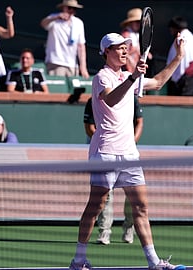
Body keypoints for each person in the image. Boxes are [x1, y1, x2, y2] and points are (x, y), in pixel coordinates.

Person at [69, 33, 185, 270]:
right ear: (106, 52)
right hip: (106, 153)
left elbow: (160, 82)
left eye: (125, 48)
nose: (124, 51)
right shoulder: (102, 77)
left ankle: (154, 262)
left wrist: (178, 56)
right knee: (96, 206)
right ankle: (79, 260)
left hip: (130, 153)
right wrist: (133, 77)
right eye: (118, 48)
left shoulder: (127, 77)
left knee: (141, 207)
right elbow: (111, 99)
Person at [83, 95, 143, 245]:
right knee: (104, 195)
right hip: (104, 153)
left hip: (128, 153)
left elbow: (139, 122)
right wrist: (106, 141)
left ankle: (129, 228)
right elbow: (89, 127)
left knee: (133, 195)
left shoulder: (132, 98)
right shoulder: (93, 101)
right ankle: (104, 232)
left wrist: (129, 142)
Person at [40, 0, 89, 79]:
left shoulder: (78, 23)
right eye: (70, 8)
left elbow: (81, 46)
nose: (72, 11)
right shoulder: (54, 19)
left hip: (72, 64)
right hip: (56, 62)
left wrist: (83, 67)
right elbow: (43, 24)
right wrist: (56, 17)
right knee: (57, 89)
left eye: (74, 9)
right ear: (64, 8)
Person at [166, 16, 193, 96]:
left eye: (171, 29)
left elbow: (183, 60)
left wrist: (177, 77)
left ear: (175, 28)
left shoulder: (182, 39)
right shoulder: (190, 37)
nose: (171, 31)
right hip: (187, 78)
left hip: (183, 80)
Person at [119, 8, 141, 73]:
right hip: (127, 70)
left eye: (140, 22)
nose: (139, 24)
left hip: (135, 69)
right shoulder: (126, 35)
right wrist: (130, 62)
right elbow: (124, 53)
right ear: (131, 22)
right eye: (137, 22)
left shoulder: (136, 34)